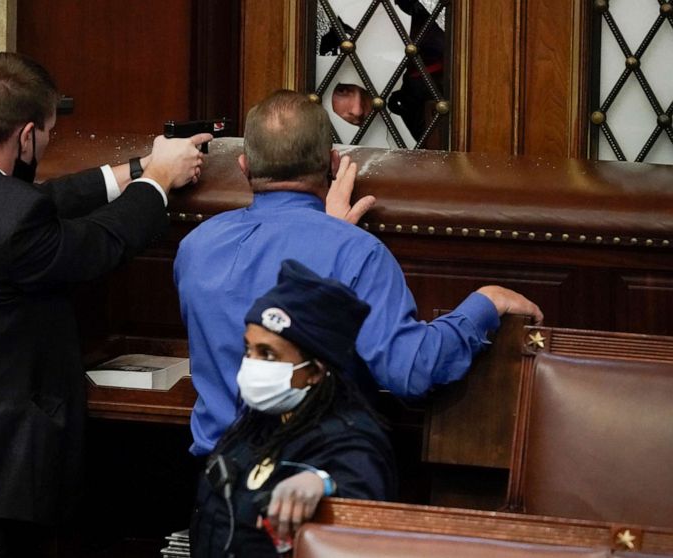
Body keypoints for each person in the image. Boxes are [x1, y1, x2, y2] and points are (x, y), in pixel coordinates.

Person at [0, 52, 210, 557]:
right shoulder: (12, 216)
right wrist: (157, 184)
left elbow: (34, 202)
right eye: (50, 133)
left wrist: (137, 168)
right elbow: (96, 245)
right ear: (27, 135)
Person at [174, 89, 543, 458]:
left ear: (244, 166)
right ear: (334, 164)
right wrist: (484, 305)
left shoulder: (195, 247)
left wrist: (329, 233)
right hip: (317, 488)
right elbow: (411, 371)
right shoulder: (355, 252)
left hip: (217, 486)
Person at [191, 259, 397, 557]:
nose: (252, 365)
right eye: (249, 349)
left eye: (269, 355)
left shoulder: (352, 440)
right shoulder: (260, 422)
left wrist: (323, 483)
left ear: (314, 371)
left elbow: (361, 494)